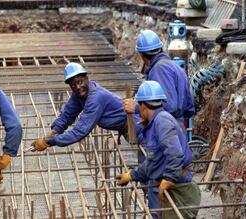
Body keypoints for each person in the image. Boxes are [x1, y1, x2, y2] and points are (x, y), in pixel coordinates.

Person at [116, 81, 201, 219]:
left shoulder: (162, 121)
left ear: (143, 106)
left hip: (179, 189)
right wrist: (132, 175)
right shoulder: (156, 122)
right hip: (172, 186)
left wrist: (169, 178)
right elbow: (154, 161)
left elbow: (175, 154)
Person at [30, 62, 127, 151]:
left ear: (87, 78)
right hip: (124, 128)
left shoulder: (96, 98)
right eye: (73, 85)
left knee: (142, 164)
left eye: (80, 82)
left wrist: (49, 142)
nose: (78, 87)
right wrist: (52, 133)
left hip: (135, 125)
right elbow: (67, 115)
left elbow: (80, 131)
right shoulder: (79, 93)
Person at [123, 30, 195, 130]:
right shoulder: (173, 66)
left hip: (167, 129)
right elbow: (190, 107)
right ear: (160, 48)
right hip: (177, 127)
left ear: (142, 55)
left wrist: (137, 108)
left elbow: (169, 106)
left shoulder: (159, 70)